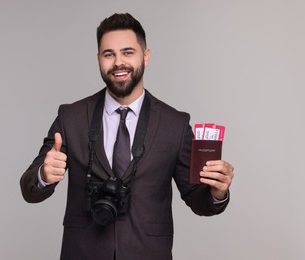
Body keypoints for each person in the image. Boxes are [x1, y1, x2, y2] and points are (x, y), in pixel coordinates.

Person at [20, 13, 234, 260]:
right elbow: (29, 189)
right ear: (99, 59)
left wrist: (218, 193)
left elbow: (198, 201)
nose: (118, 62)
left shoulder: (175, 124)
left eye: (128, 52)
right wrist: (44, 176)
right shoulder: (71, 117)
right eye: (108, 54)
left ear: (146, 56)